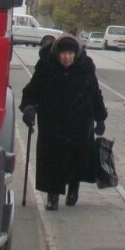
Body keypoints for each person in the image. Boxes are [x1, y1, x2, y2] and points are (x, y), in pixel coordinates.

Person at [20, 34, 107, 211]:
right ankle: (52, 195)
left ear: (75, 54)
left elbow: (94, 92)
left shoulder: (85, 66)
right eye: (63, 53)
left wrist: (100, 117)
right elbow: (32, 90)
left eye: (70, 53)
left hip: (80, 121)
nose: (66, 57)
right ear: (57, 54)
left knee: (77, 156)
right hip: (52, 121)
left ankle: (73, 188)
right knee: (52, 157)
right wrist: (29, 109)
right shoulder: (46, 66)